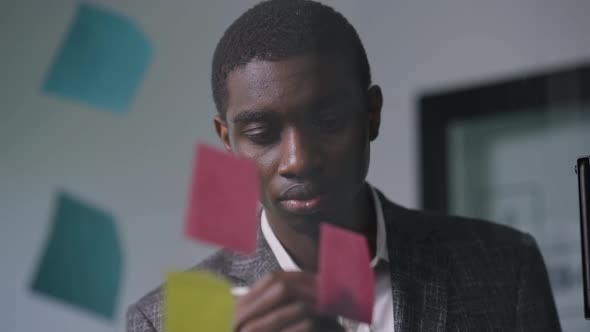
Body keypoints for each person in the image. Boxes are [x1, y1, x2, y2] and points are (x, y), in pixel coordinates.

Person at [127, 0, 561, 331]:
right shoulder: (165, 321)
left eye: (328, 121)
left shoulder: (505, 266)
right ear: (228, 141)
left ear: (371, 114)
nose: (298, 160)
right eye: (261, 134)